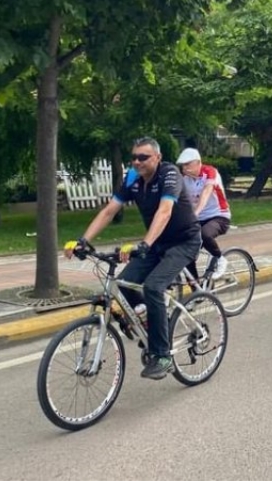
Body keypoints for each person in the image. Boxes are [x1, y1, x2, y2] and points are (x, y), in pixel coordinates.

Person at [64, 137, 201, 380]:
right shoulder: (132, 178)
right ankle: (151, 321)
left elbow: (165, 210)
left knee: (153, 286)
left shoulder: (169, 174)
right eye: (134, 157)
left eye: (143, 157)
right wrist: (83, 241)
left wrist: (144, 243)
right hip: (156, 243)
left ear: (157, 157)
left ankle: (162, 355)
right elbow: (109, 210)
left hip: (183, 241)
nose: (137, 162)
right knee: (124, 285)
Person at [176, 148, 231, 280]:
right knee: (187, 253)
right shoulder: (184, 180)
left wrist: (195, 213)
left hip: (219, 216)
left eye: (188, 164)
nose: (184, 168)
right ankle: (197, 291)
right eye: (183, 165)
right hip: (198, 219)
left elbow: (206, 192)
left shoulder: (210, 172)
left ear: (198, 163)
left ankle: (220, 258)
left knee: (204, 234)